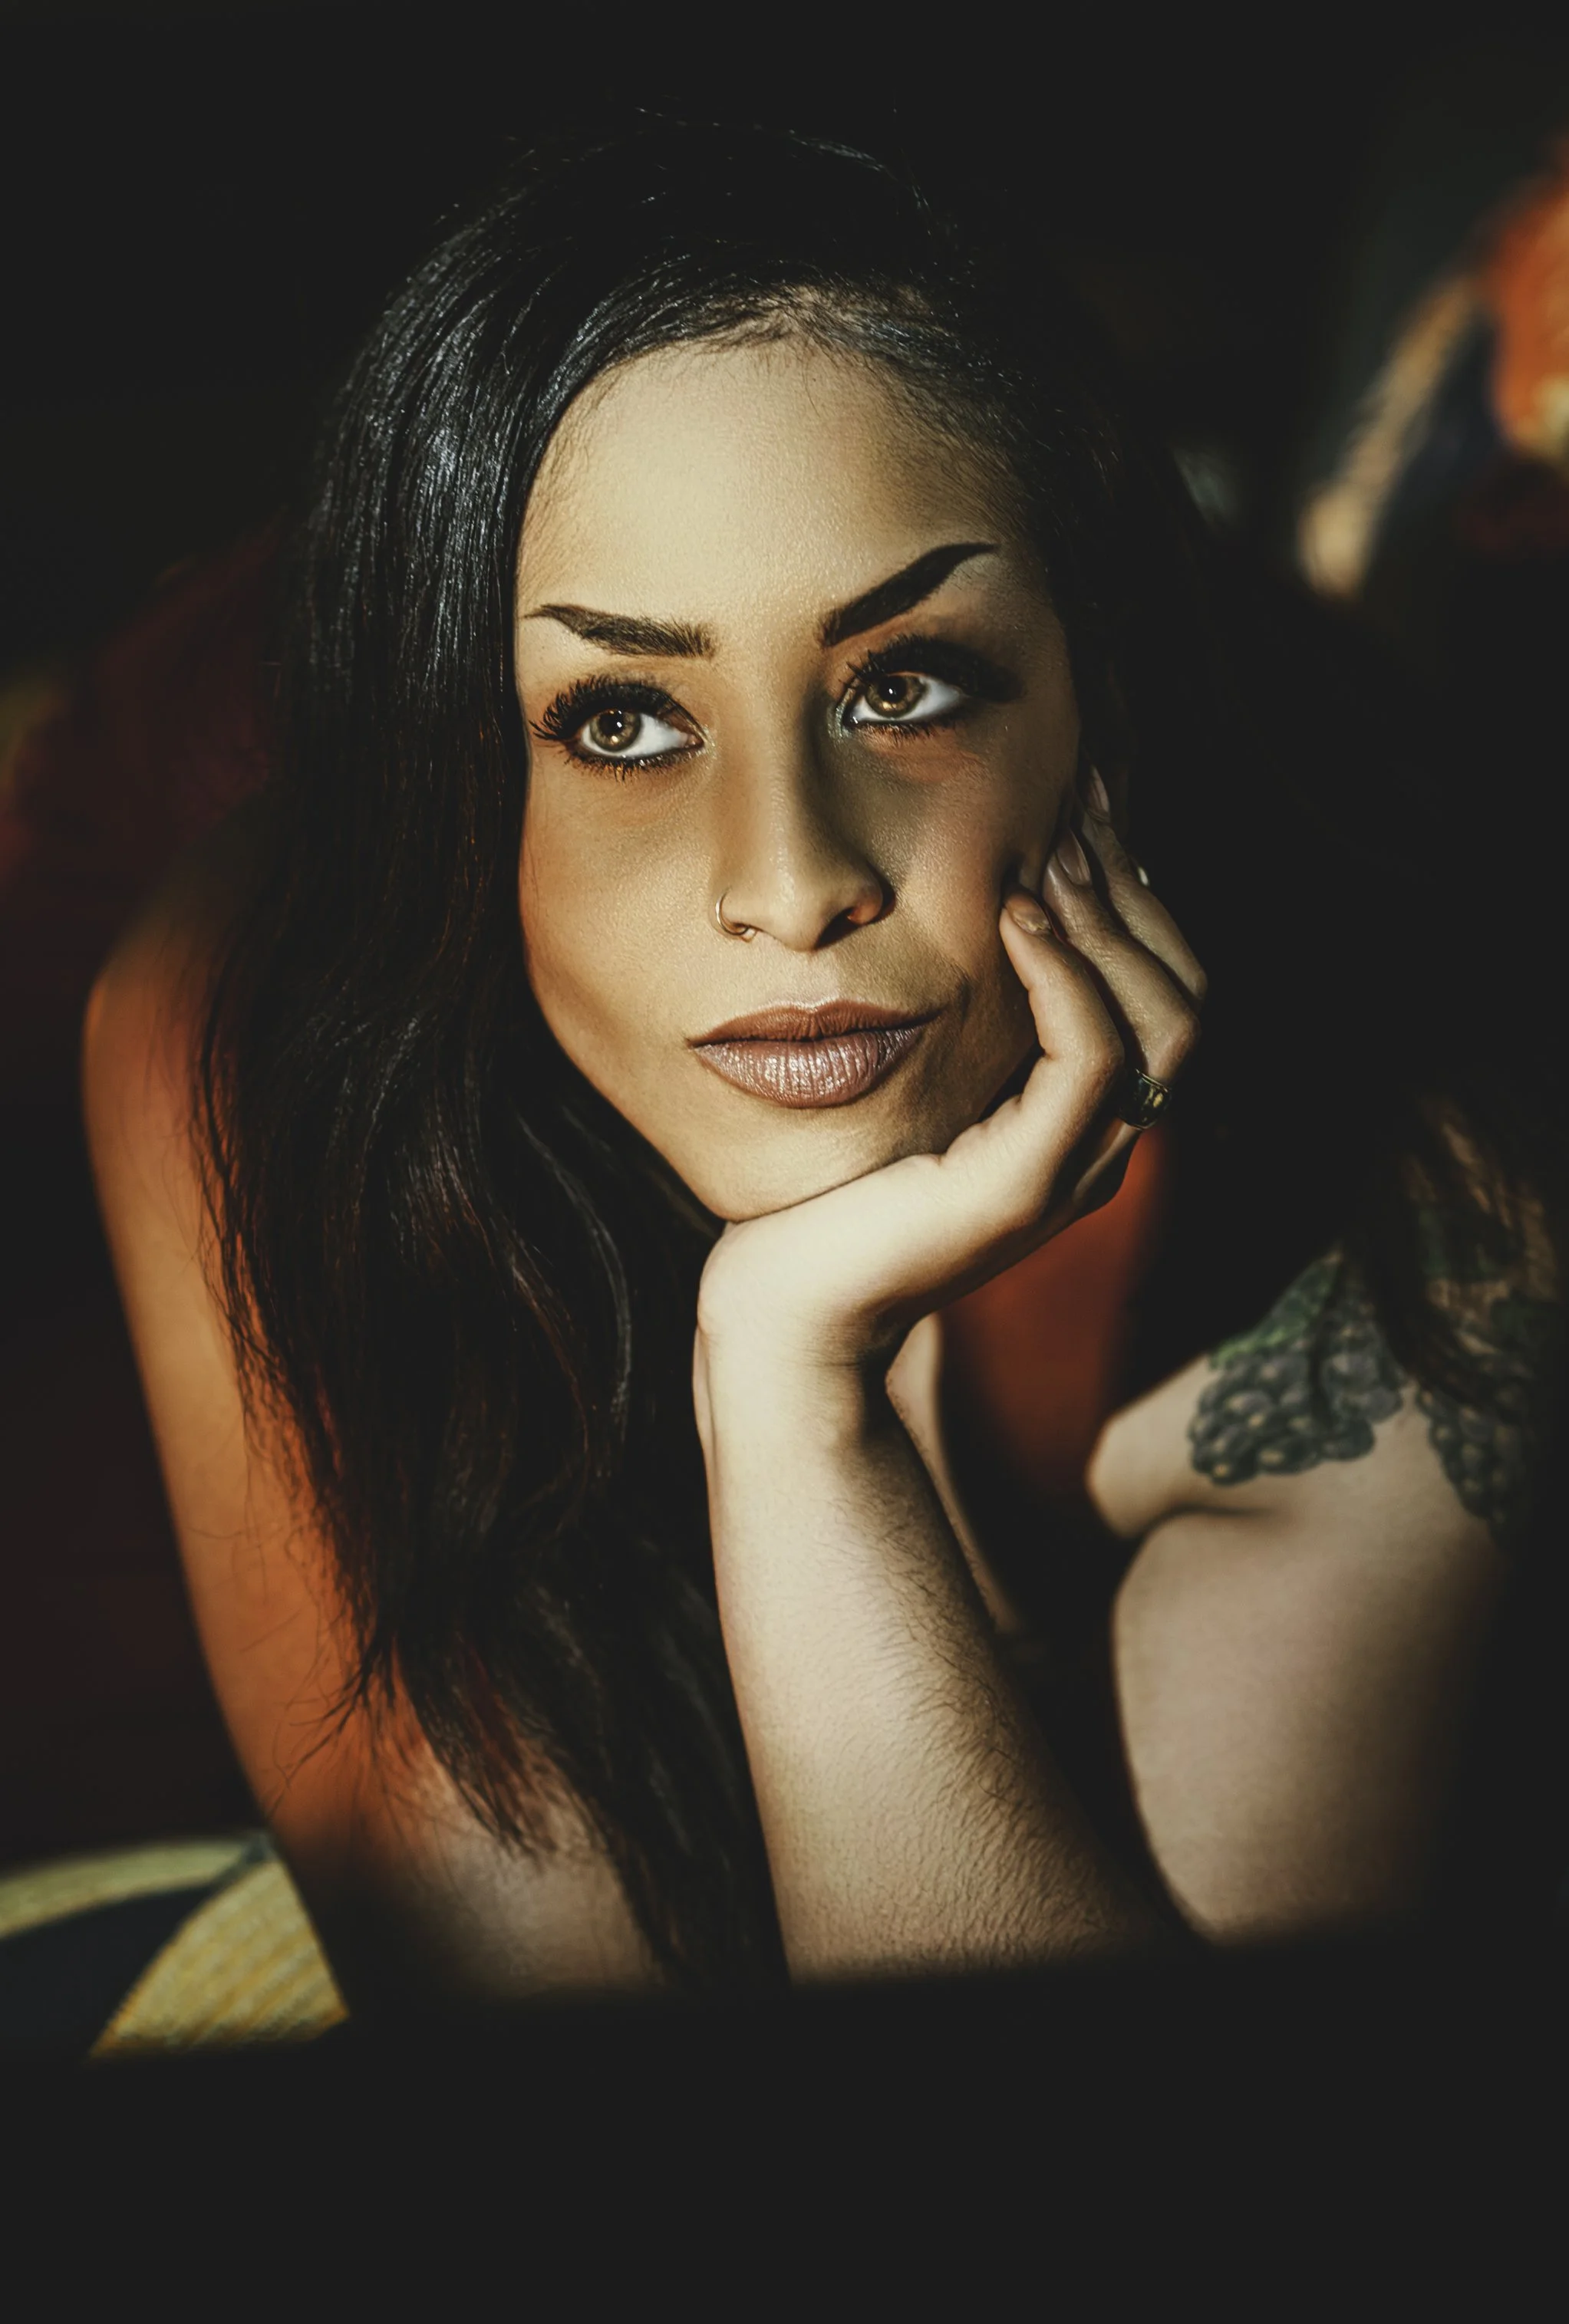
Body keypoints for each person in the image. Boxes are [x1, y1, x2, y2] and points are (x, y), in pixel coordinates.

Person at [81, 125, 1562, 2013]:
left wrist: (791, 1393)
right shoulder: (246, 1012)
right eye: (621, 719)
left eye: (903, 686)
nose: (791, 886)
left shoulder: (1399, 1216)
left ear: (1096, 704)